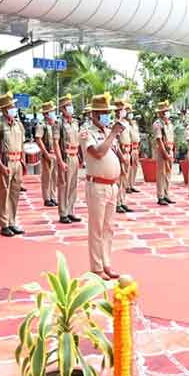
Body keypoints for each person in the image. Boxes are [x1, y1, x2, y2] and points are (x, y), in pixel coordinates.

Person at [81, 93, 123, 281]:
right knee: (96, 228)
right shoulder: (86, 133)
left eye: (107, 112)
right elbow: (97, 153)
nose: (106, 116)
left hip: (112, 185)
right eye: (103, 113)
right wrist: (113, 134)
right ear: (94, 114)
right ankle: (96, 267)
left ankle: (106, 263)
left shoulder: (107, 131)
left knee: (108, 228)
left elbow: (112, 152)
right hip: (97, 185)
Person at [0, 92, 26, 237]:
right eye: (11, 107)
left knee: (14, 194)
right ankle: (4, 224)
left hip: (17, 162)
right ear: (4, 109)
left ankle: (12, 222)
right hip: (6, 162)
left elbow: (22, 144)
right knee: (3, 194)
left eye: (13, 106)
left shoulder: (18, 124)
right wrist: (0, 165)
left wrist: (23, 161)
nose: (13, 109)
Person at [54, 95, 82, 224]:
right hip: (66, 157)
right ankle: (63, 213)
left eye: (71, 105)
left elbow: (78, 140)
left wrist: (80, 156)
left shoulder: (75, 122)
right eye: (67, 106)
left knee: (73, 186)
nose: (70, 108)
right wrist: (60, 161)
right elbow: (56, 143)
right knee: (64, 185)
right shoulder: (59, 123)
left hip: (75, 155)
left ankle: (71, 211)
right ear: (62, 109)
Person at [152, 100, 176, 205]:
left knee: (168, 174)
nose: (167, 113)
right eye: (165, 111)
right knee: (161, 173)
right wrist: (165, 153)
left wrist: (172, 150)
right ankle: (160, 196)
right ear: (160, 113)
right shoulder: (158, 124)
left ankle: (166, 194)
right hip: (162, 151)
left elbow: (172, 138)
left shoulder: (169, 124)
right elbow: (159, 140)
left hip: (170, 150)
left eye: (167, 111)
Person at [34, 101, 58, 207]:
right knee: (46, 177)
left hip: (55, 153)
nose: (53, 113)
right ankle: (47, 198)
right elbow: (38, 139)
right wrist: (45, 152)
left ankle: (53, 196)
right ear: (46, 114)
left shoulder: (55, 124)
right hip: (47, 153)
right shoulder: (41, 125)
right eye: (51, 111)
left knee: (54, 177)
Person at [113, 98, 134, 213]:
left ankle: (122, 201)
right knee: (118, 179)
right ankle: (117, 203)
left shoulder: (125, 123)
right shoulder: (115, 123)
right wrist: (121, 156)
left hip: (127, 151)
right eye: (121, 110)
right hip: (120, 153)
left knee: (124, 179)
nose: (123, 111)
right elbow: (115, 141)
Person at [127, 111, 141, 193]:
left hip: (136, 147)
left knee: (135, 167)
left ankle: (132, 184)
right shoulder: (126, 125)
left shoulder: (135, 124)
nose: (131, 114)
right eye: (129, 113)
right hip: (130, 147)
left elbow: (137, 136)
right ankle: (127, 186)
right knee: (129, 167)